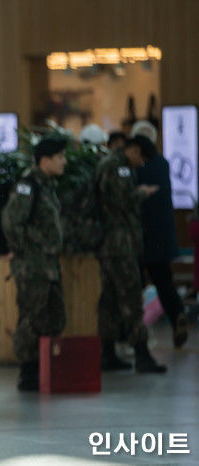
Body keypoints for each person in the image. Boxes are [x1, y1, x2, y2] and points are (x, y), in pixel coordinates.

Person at [1, 135, 68, 391]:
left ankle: (46, 369)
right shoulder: (28, 185)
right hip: (33, 265)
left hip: (49, 265)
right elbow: (11, 221)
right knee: (31, 317)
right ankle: (28, 371)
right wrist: (24, 251)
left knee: (54, 316)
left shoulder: (48, 185)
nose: (64, 162)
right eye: (60, 157)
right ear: (45, 159)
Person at [95, 135, 167, 373]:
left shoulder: (111, 164)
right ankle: (142, 355)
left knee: (110, 300)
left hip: (110, 244)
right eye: (142, 158)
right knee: (131, 298)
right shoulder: (118, 168)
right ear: (133, 150)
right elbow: (121, 201)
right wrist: (142, 193)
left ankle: (107, 353)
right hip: (119, 245)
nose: (142, 164)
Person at [132, 126, 188, 348]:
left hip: (140, 237)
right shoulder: (163, 164)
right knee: (164, 282)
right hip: (161, 238)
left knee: (133, 286)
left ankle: (133, 334)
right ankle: (177, 316)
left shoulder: (136, 170)